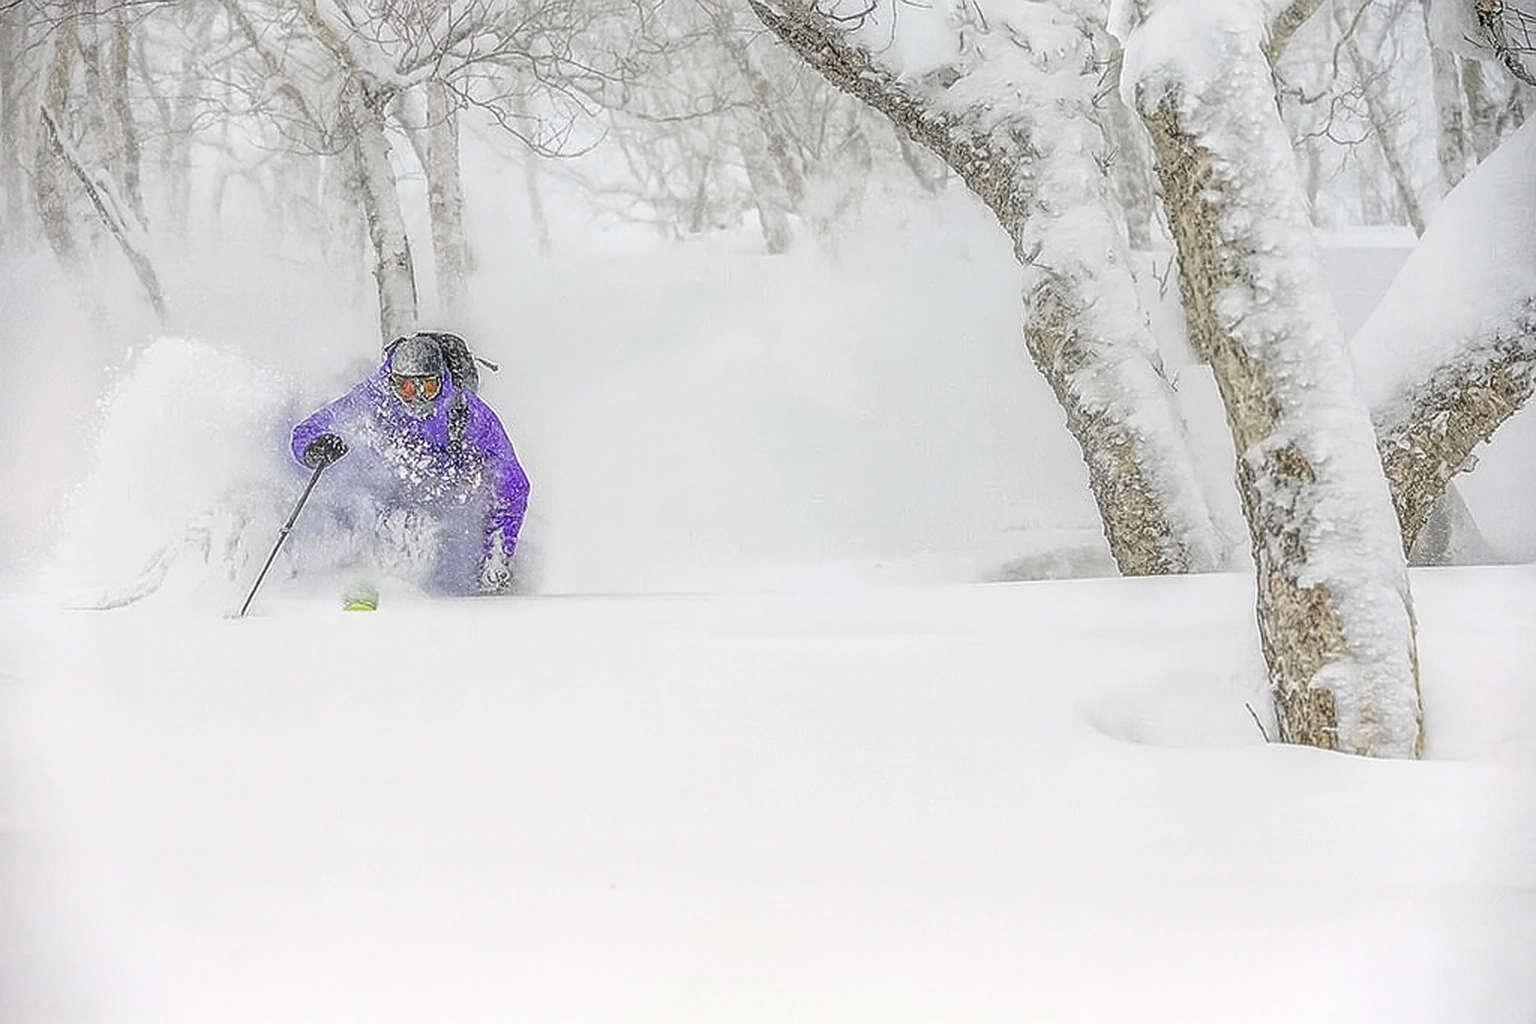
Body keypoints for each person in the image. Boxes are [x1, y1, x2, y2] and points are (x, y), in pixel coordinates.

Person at [290, 331, 530, 596]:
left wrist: (497, 551)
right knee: (372, 511)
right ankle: (365, 589)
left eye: (427, 387)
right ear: (393, 383)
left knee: (452, 551)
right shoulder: (377, 393)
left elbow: (513, 485)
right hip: (392, 488)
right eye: (406, 388)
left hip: (451, 488)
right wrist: (312, 450)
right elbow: (309, 429)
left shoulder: (468, 412)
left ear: (442, 380)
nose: (416, 397)